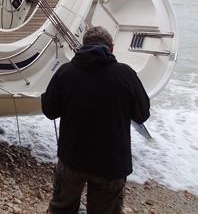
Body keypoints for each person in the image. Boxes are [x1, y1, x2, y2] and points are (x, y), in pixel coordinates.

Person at [41, 26, 150, 214]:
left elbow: (50, 111)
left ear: (82, 46)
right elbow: (142, 115)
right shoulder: (126, 75)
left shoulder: (66, 72)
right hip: (112, 163)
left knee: (62, 209)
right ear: (112, 48)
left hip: (72, 158)